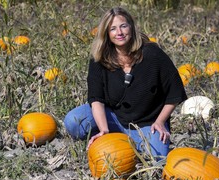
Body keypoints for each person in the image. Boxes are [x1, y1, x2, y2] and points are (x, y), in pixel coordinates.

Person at [64, 7, 187, 161]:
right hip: (113, 117)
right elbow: (96, 99)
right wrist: (104, 131)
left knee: (158, 156)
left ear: (131, 27)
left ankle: (131, 141)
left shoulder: (152, 54)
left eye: (123, 26)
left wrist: (160, 121)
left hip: (146, 122)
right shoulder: (99, 58)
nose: (119, 33)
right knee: (73, 122)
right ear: (106, 34)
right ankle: (117, 137)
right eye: (113, 29)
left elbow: (175, 92)